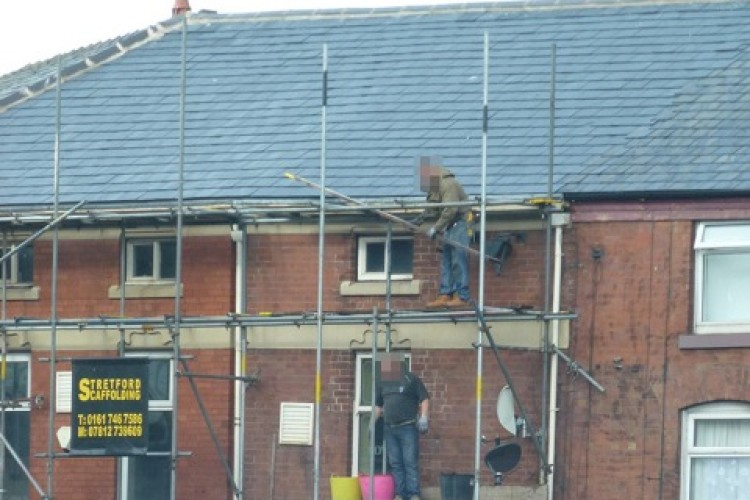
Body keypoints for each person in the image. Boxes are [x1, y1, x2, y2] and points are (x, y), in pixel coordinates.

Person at [416, 157, 472, 308]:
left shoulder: (448, 184)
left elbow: (451, 209)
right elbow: (432, 208)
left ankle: (462, 296)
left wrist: (436, 228)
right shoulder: (434, 187)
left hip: (460, 222)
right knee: (446, 259)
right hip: (449, 225)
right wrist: (419, 219)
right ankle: (445, 294)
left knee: (458, 258)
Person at [374, 355, 430, 500]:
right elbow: (378, 405)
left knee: (410, 461)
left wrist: (424, 417)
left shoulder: (411, 379)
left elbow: (424, 398)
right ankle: (400, 494)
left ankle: (413, 494)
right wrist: (371, 423)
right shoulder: (383, 383)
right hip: (390, 428)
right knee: (396, 463)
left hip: (408, 427)